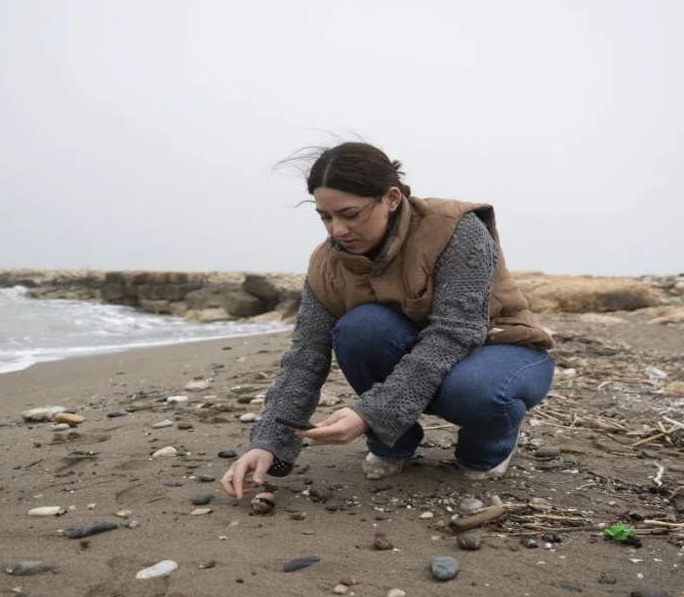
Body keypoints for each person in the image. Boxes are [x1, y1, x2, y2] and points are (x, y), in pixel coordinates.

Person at [221, 143, 555, 499]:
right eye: (326, 217)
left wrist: (371, 413)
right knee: (360, 328)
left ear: (392, 198)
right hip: (420, 361)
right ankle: (394, 441)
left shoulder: (455, 229)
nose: (337, 230)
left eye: (350, 214)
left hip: (502, 348)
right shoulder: (326, 265)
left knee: (475, 389)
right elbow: (306, 355)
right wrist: (268, 441)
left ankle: (489, 448)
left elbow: (456, 333)